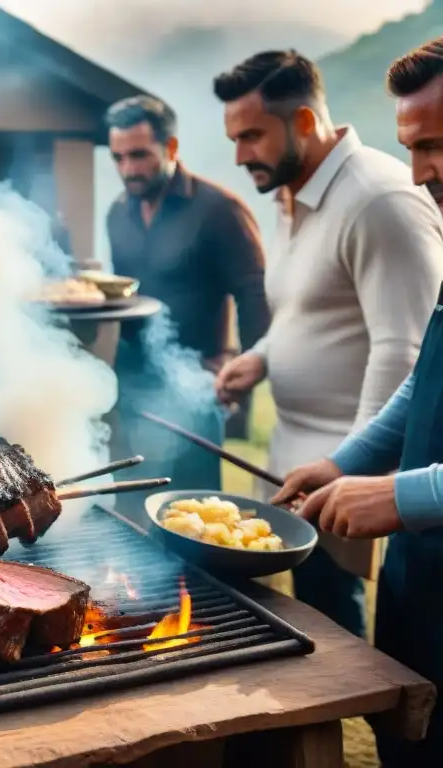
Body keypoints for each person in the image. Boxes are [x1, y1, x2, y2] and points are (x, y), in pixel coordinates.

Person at [211, 50, 443, 640]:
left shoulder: (382, 201)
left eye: (253, 136)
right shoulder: (296, 199)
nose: (418, 172)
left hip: (384, 490)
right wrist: (345, 464)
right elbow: (419, 371)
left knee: (344, 634)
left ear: (307, 123)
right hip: (354, 487)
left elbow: (400, 347)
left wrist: (383, 485)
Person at [272, 38, 443, 766]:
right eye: (413, 148)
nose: (421, 174)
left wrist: (406, 495)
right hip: (423, 584)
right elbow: (425, 382)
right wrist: (344, 462)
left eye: (436, 146)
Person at [103, 95, 270, 523]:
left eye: (139, 155)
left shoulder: (218, 210)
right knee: (130, 511)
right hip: (132, 388)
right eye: (119, 157)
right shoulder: (117, 214)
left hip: (197, 388)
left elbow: (255, 297)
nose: (128, 169)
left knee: (192, 517)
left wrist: (244, 377)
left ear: (171, 148)